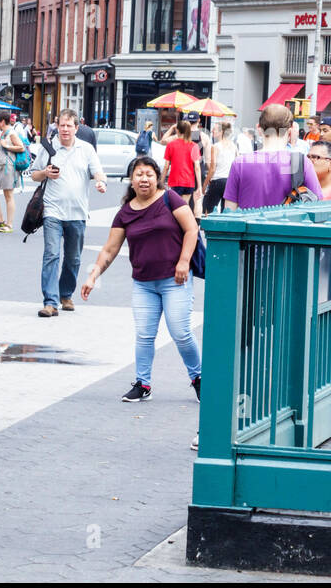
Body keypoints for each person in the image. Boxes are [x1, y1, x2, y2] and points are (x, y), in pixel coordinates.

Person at [81, 156, 201, 403]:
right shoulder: (125, 212)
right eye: (139, 174)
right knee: (145, 335)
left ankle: (199, 378)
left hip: (175, 280)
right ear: (131, 180)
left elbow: (192, 229)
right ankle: (143, 383)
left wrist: (184, 261)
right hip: (144, 284)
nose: (144, 179)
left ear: (157, 178)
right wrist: (93, 276)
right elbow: (110, 249)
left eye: (149, 174)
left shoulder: (170, 199)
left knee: (180, 332)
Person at [30, 109, 107, 317]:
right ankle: (50, 302)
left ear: (76, 128)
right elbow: (34, 175)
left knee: (73, 258)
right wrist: (45, 173)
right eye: (61, 125)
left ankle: (65, 294)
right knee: (51, 255)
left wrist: (100, 182)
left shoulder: (86, 149)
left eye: (68, 126)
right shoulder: (47, 148)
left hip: (78, 212)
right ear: (57, 126)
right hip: (52, 210)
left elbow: (97, 171)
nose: (64, 129)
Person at [223, 104, 321, 210]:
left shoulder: (240, 163)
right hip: (287, 226)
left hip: (250, 225)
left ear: (258, 128)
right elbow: (316, 205)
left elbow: (229, 211)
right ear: (290, 130)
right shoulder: (300, 162)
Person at [0, 112, 24, 232]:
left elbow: (21, 147)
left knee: (8, 195)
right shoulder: (2, 133)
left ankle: (9, 225)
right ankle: (0, 220)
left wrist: (7, 146)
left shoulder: (11, 133)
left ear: (2, 121)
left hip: (9, 166)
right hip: (0, 166)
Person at [202, 121, 237, 214]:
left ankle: (207, 228)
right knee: (225, 211)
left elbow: (212, 168)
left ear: (222, 132)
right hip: (230, 182)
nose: (212, 131)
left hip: (217, 181)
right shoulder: (234, 146)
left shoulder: (216, 146)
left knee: (207, 210)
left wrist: (204, 185)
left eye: (215, 129)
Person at [163, 120, 202, 200]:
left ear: (177, 130)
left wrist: (161, 182)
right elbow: (197, 167)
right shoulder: (194, 146)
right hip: (189, 182)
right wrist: (199, 186)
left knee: (174, 207)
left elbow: (166, 166)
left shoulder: (171, 145)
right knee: (184, 207)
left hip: (175, 181)